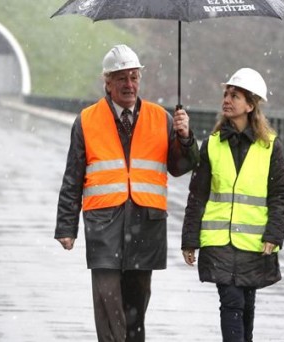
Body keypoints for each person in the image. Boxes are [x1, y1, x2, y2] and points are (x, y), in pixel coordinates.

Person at [54, 44, 199, 342]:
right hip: (103, 225)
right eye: (121, 78)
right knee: (109, 304)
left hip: (146, 225)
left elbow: (180, 166)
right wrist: (66, 226)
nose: (129, 85)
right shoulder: (87, 120)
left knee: (136, 307)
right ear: (107, 82)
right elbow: (73, 177)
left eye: (134, 77)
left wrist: (185, 138)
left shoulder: (162, 118)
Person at [181, 68, 284, 342]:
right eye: (226, 94)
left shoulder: (270, 147)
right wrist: (189, 239)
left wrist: (274, 234)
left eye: (235, 95)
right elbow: (197, 195)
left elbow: (280, 194)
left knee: (246, 304)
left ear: (251, 105)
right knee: (231, 301)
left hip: (253, 243)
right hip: (218, 241)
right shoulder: (212, 145)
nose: (227, 100)